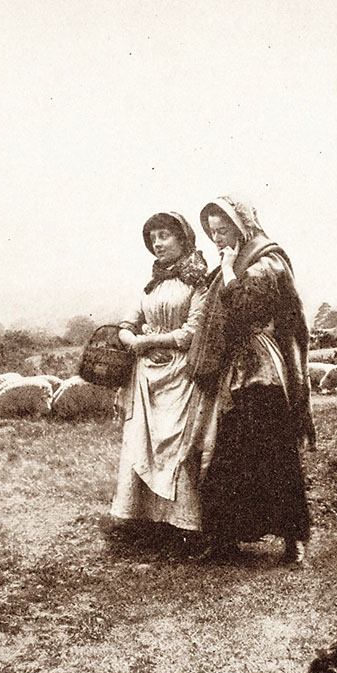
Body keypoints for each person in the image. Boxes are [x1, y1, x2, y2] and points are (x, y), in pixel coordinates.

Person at [185, 195, 316, 565]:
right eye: (211, 232)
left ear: (242, 225)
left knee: (275, 451)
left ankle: (294, 539)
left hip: (263, 368)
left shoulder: (267, 260)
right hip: (235, 370)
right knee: (228, 453)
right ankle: (225, 537)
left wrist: (227, 271)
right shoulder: (236, 261)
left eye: (223, 229)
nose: (217, 239)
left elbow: (244, 309)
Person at [110, 212, 210, 540]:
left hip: (181, 375)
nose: (157, 243)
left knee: (176, 446)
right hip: (144, 375)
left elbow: (192, 331)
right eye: (153, 238)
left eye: (164, 235)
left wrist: (149, 341)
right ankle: (143, 521)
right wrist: (134, 341)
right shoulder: (151, 285)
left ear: (184, 240)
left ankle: (182, 525)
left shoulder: (198, 283)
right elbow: (127, 324)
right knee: (143, 444)